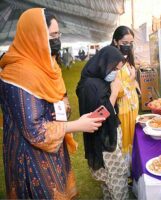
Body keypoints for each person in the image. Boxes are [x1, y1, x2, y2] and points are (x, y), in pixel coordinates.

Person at [0, 8, 103, 199]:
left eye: (58, 34)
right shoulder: (19, 74)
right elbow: (35, 132)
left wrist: (63, 106)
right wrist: (77, 125)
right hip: (31, 159)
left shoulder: (48, 65)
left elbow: (59, 99)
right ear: (35, 35)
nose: (57, 40)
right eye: (52, 35)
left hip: (54, 148)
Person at [76, 46, 129, 200]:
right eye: (114, 69)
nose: (116, 73)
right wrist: (113, 94)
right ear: (104, 63)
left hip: (110, 132)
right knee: (116, 174)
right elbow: (97, 116)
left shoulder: (100, 79)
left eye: (118, 69)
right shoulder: (89, 86)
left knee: (111, 176)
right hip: (103, 140)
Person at [110, 26, 140, 165]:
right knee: (124, 141)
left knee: (133, 139)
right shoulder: (112, 62)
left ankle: (132, 168)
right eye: (124, 43)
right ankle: (124, 171)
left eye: (131, 43)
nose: (128, 46)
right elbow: (116, 91)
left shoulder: (127, 58)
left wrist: (136, 84)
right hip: (122, 110)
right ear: (116, 41)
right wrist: (131, 80)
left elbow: (132, 81)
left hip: (132, 108)